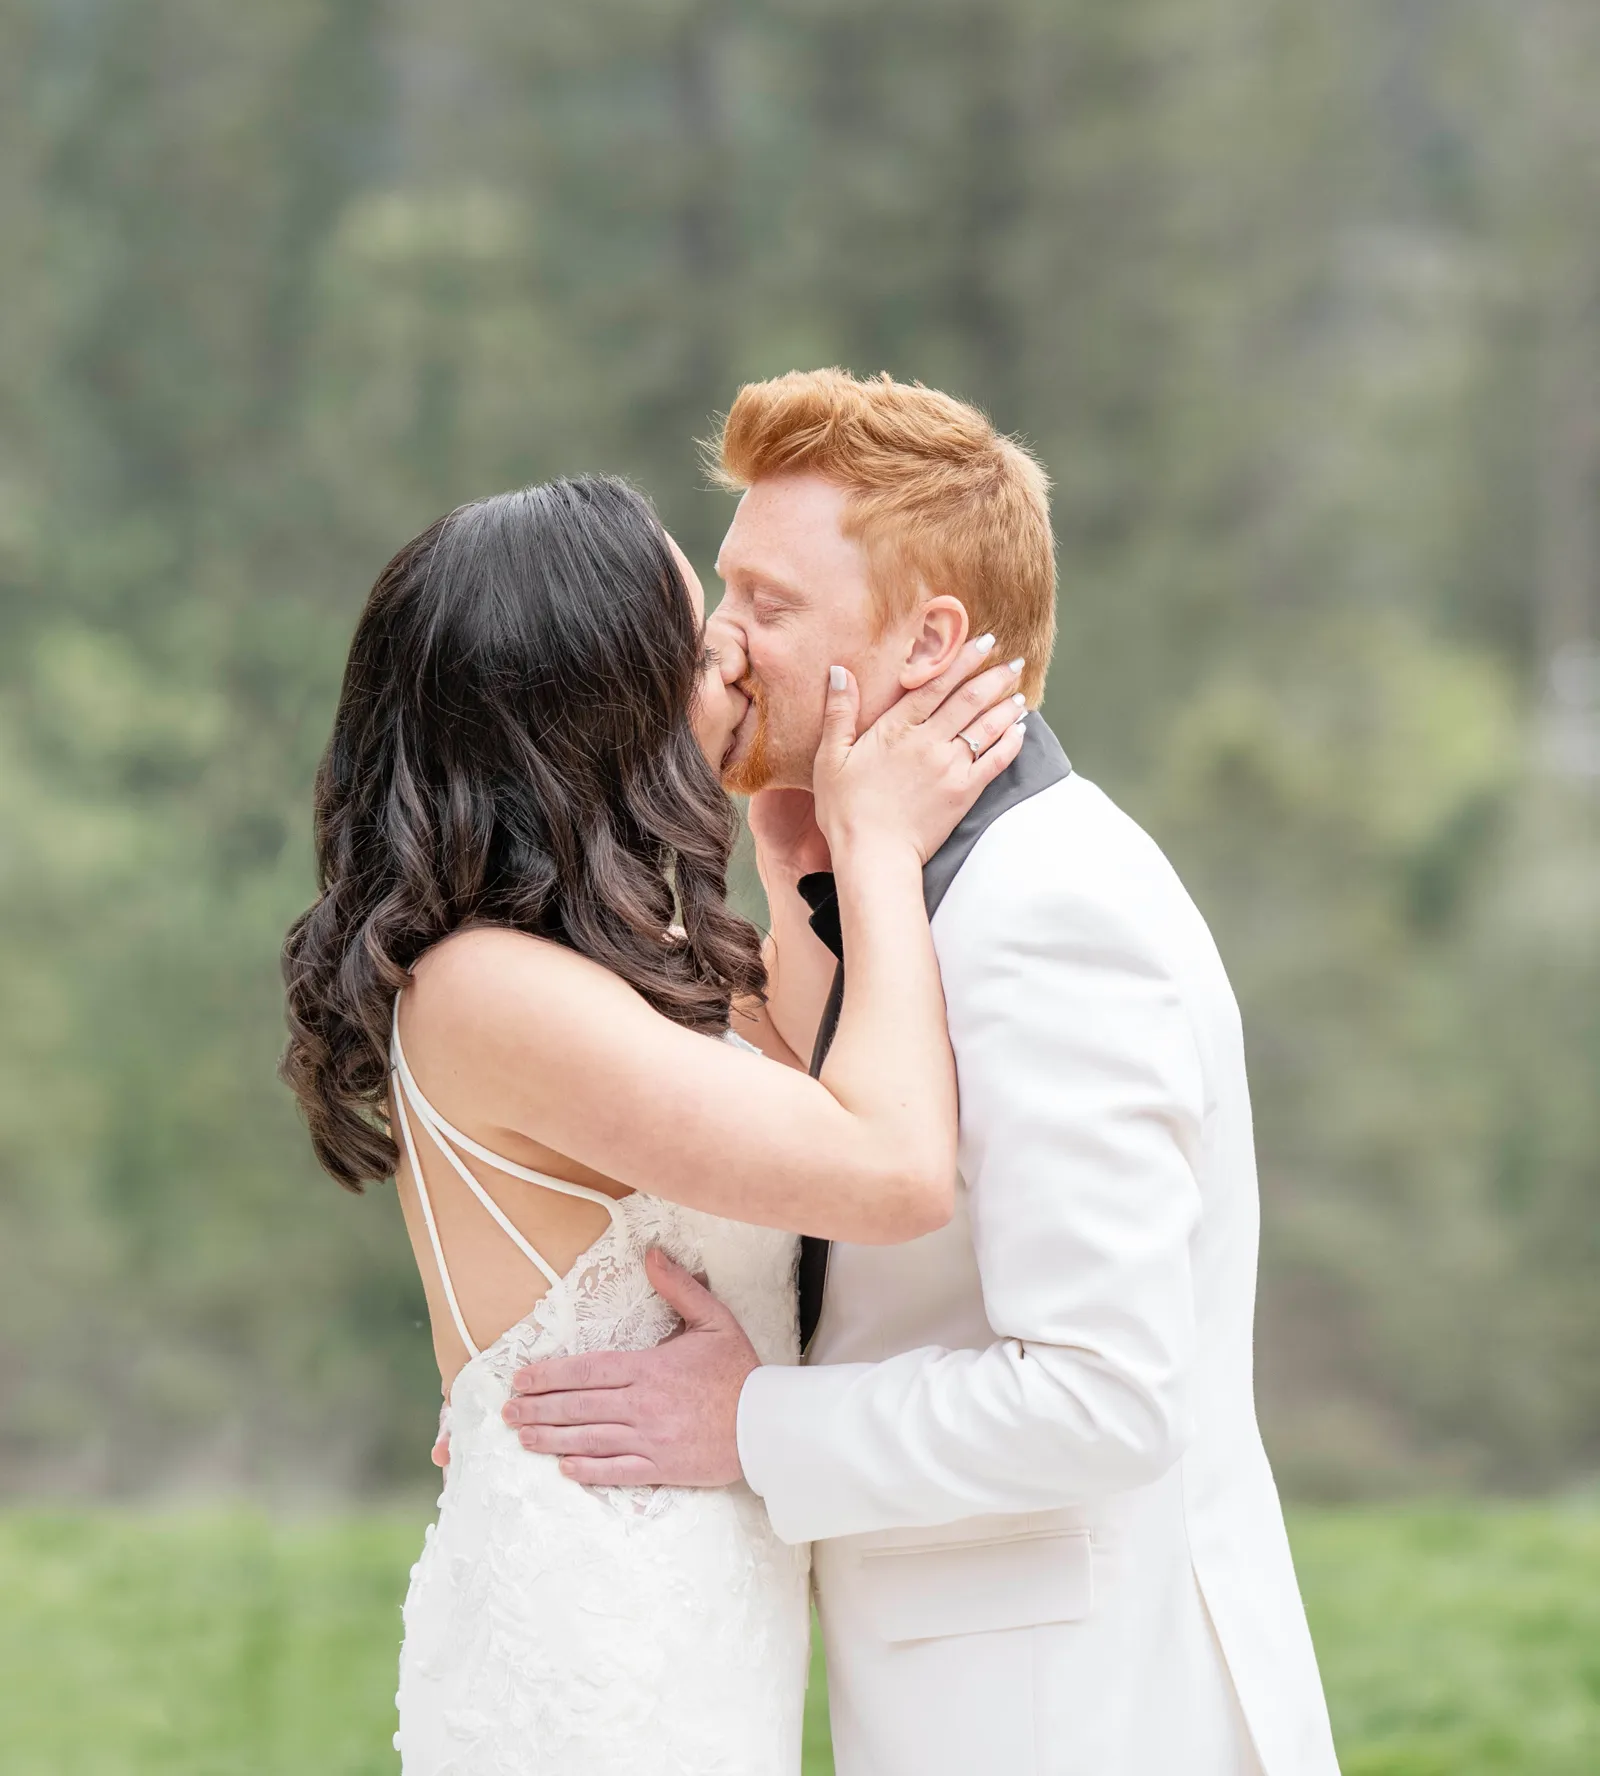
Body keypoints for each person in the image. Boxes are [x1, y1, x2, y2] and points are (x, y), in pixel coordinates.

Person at [506, 370, 1342, 1776]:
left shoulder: (1047, 910)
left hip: (1089, 1723)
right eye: (727, 589)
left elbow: (1105, 1398)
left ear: (928, 642)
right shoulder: (889, 890)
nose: (720, 640)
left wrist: (745, 1424)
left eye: (770, 604)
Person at [279, 473, 1027, 1776]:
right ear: (600, 699)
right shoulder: (487, 987)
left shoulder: (650, 965)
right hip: (595, 1651)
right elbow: (892, 1168)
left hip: (692, 1625)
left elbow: (825, 1087)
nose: (734, 650)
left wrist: (792, 852)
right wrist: (878, 851)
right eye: (694, 633)